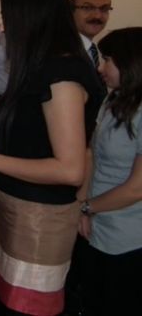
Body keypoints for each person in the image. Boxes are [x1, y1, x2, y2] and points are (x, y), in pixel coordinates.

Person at [0, 0, 104, 316]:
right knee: (5, 302)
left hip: (40, 222)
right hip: (19, 214)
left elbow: (69, 169)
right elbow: (34, 139)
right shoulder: (39, 69)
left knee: (27, 309)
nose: (3, 29)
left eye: (7, 19)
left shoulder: (62, 76)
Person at [77, 27, 142, 316]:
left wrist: (87, 207)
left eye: (107, 60)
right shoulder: (112, 99)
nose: (100, 67)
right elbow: (91, 153)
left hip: (130, 235)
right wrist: (83, 204)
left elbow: (136, 188)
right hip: (99, 223)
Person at [63, 0, 112, 314]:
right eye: (89, 7)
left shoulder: (101, 52)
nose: (98, 14)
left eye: (105, 8)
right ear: (71, 12)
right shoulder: (67, 57)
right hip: (76, 164)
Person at [71, 0, 112, 69]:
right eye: (87, 8)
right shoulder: (59, 50)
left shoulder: (102, 50)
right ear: (71, 11)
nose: (97, 16)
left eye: (104, 9)